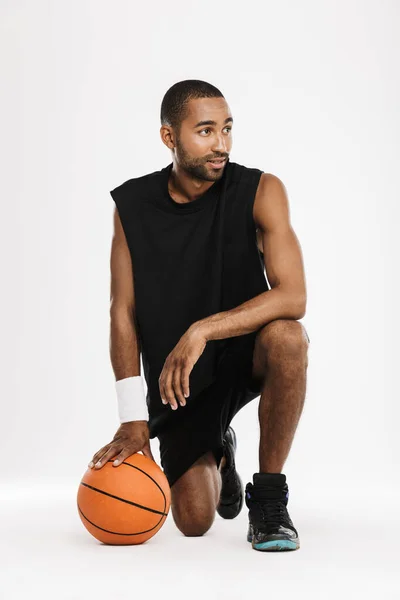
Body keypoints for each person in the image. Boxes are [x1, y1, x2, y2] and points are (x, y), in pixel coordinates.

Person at [88, 80, 310, 552]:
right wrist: (132, 418)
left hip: (246, 349)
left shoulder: (261, 190)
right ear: (170, 137)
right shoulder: (132, 206)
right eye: (205, 131)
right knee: (193, 522)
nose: (221, 145)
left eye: (227, 129)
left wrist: (203, 330)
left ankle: (269, 499)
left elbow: (293, 296)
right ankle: (220, 449)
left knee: (290, 337)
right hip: (180, 377)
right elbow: (121, 312)